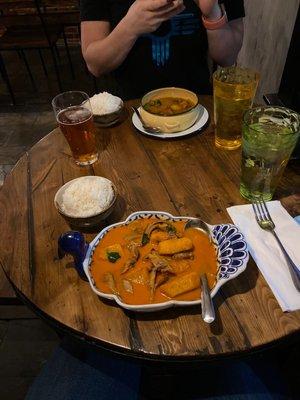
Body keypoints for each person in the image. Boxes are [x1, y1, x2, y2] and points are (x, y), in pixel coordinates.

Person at [80, 0, 245, 99]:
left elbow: (228, 57)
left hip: (198, 106)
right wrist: (130, 27)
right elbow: (95, 65)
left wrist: (212, 13)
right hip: (128, 111)